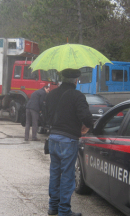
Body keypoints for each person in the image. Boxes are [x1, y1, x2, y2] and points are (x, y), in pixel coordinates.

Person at [45, 69, 93, 216]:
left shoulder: (52, 94)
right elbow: (85, 116)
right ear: (76, 81)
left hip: (53, 137)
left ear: (63, 79)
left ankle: (53, 207)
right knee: (67, 175)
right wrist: (90, 125)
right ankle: (64, 211)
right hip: (68, 139)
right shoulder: (77, 95)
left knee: (54, 173)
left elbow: (45, 115)